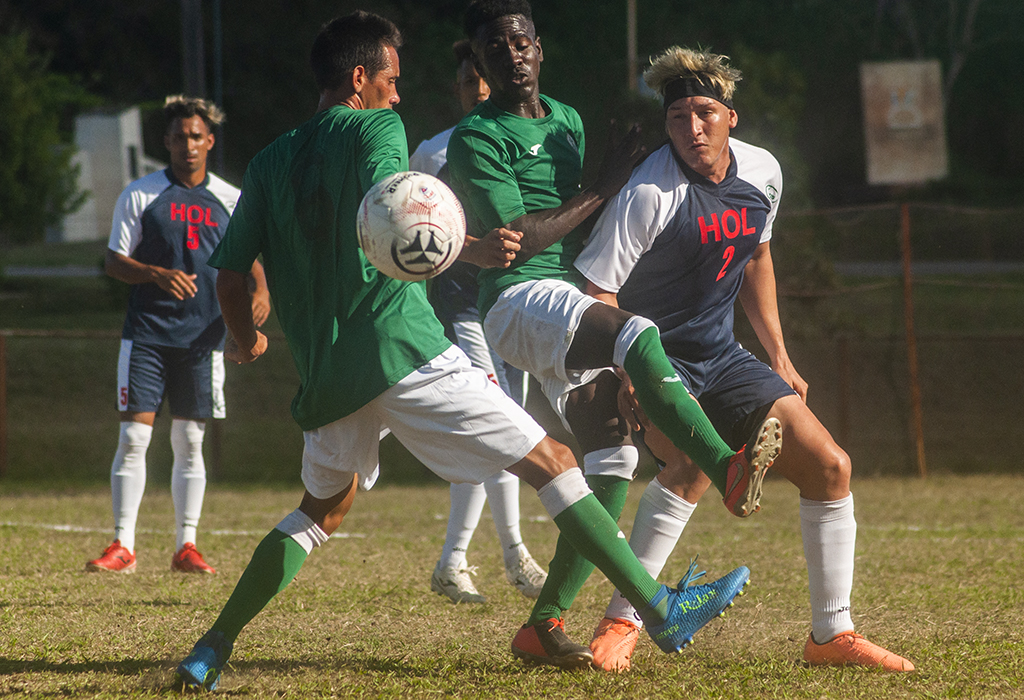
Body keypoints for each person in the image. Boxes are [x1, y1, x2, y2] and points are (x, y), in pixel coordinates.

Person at [173, 12, 752, 691]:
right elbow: (400, 210)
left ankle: (211, 646)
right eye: (390, 80)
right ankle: (659, 609)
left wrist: (248, 340)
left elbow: (232, 277)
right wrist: (468, 247)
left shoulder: (269, 161)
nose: (397, 95)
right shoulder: (376, 129)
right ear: (359, 79)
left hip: (329, 372)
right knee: (555, 461)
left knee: (319, 510)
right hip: (403, 346)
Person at [445, 0, 779, 668]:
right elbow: (518, 243)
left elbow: (590, 226)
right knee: (637, 334)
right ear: (479, 63)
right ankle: (727, 468)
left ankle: (544, 625)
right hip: (517, 302)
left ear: (538, 48)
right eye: (494, 47)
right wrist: (605, 186)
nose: (511, 54)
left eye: (520, 42)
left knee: (613, 464)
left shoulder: (566, 120)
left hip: (564, 304)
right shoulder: (476, 136)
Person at [576, 46, 915, 673]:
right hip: (655, 359)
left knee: (830, 467)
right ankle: (621, 622)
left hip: (723, 355)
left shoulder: (762, 173)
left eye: (705, 112)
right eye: (677, 116)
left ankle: (830, 636)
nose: (692, 128)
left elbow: (756, 258)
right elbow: (599, 292)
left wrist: (780, 356)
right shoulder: (649, 191)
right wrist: (625, 375)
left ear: (732, 116)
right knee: (688, 469)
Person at [86, 95, 269, 576]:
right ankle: (123, 545)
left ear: (210, 141)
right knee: (133, 438)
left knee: (189, 442)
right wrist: (153, 273)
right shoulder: (141, 194)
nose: (187, 144)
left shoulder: (230, 199)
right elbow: (112, 262)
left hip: (203, 341)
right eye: (178, 137)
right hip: (146, 335)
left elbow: (256, 273)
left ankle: (186, 546)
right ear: (165, 142)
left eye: (196, 136)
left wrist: (255, 305)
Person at [411, 39, 547, 605]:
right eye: (469, 81)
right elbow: (414, 237)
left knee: (494, 427)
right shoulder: (433, 152)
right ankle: (514, 557)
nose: (480, 89)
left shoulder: (519, 141)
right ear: (458, 89)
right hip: (458, 307)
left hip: (508, 304)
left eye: (486, 78)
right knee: (500, 422)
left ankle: (454, 561)